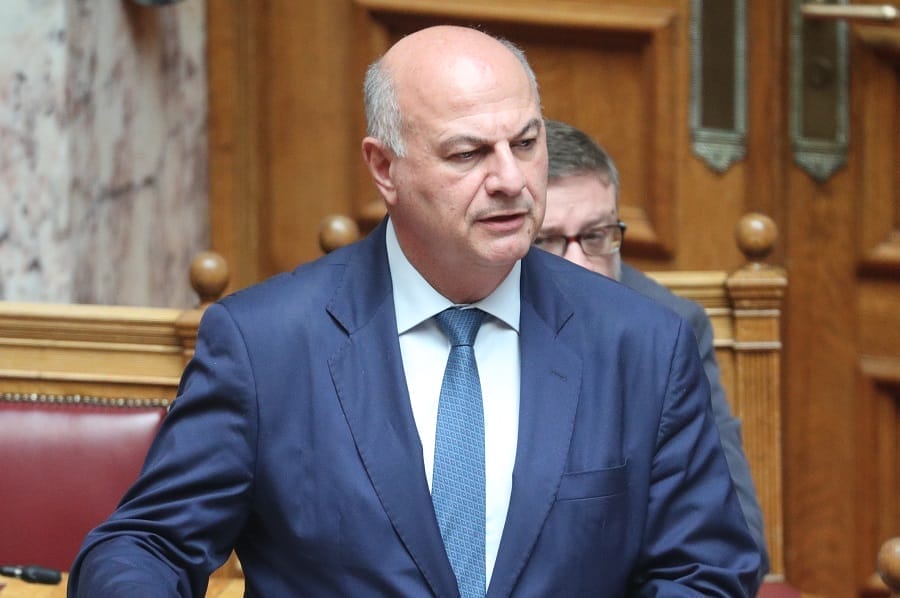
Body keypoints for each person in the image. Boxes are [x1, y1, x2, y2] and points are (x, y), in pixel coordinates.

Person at [69, 26, 760, 596]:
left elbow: (705, 570)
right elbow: (145, 544)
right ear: (384, 168)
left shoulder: (641, 344)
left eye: (525, 144)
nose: (511, 180)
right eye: (469, 153)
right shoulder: (267, 345)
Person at [537, 117, 770, 582]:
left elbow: (730, 538)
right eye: (546, 242)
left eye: (596, 236)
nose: (579, 265)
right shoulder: (472, 317)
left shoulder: (672, 329)